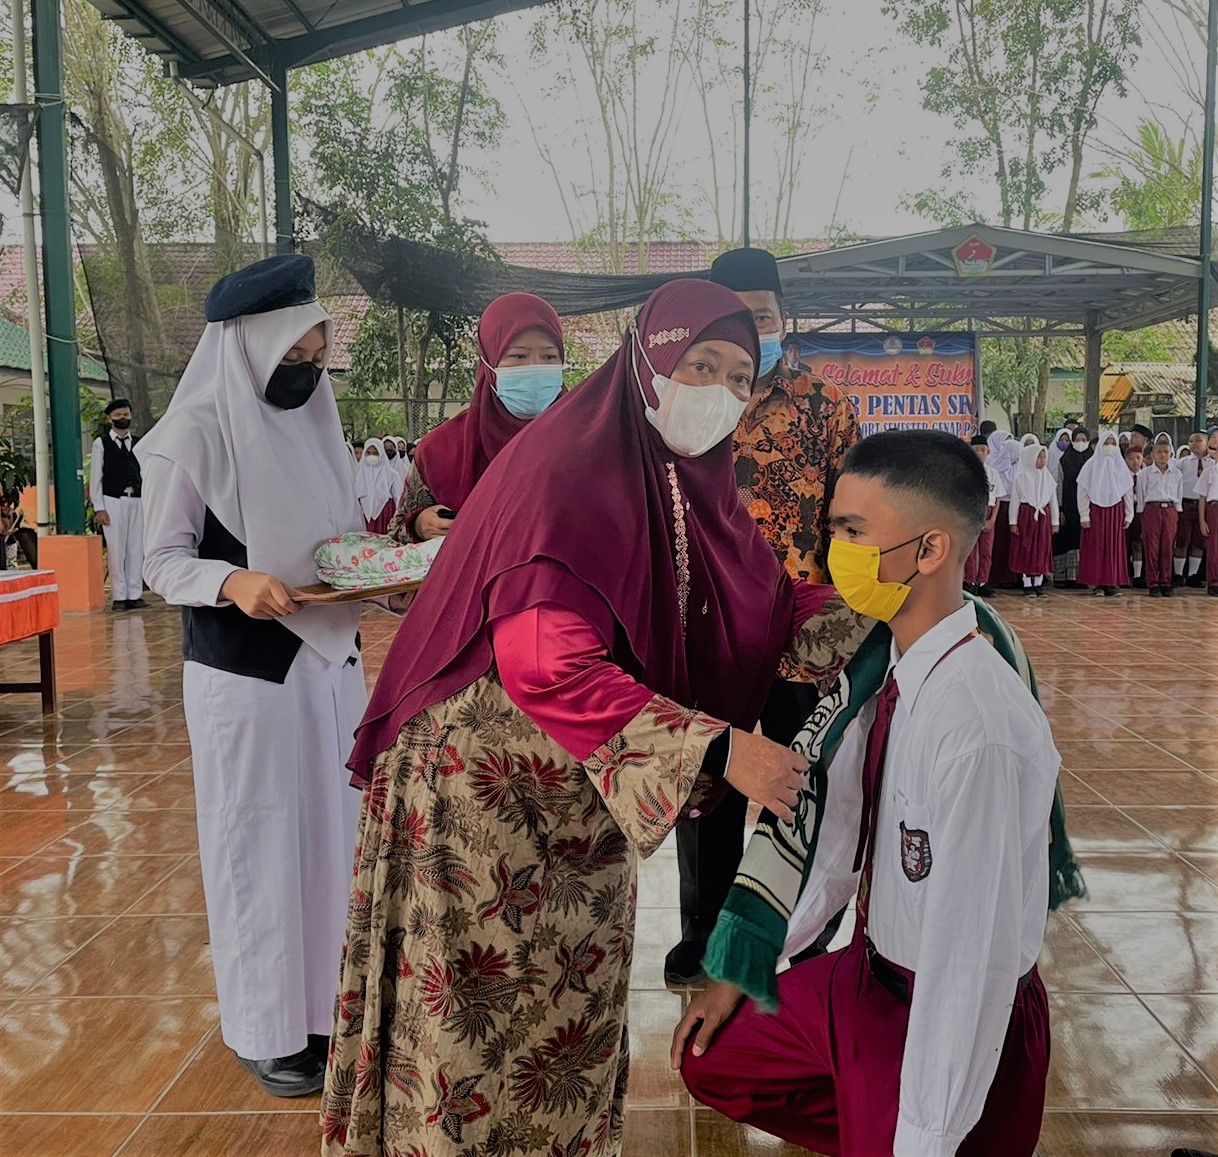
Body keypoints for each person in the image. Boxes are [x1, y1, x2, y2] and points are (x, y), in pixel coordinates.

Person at [319, 280, 871, 1157]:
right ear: (649, 360)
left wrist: (887, 615)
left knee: (566, 1020)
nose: (720, 391)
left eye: (738, 375)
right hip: (484, 797)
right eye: (701, 364)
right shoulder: (567, 471)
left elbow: (763, 607)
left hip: (583, 795)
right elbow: (546, 662)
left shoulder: (688, 480)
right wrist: (721, 747)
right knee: (481, 1030)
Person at [673, 429, 1058, 1157]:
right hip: (865, 976)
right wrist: (746, 964)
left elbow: (967, 966)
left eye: (854, 532)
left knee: (918, 1135)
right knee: (716, 1057)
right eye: (834, 529)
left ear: (930, 549)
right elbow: (838, 841)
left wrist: (924, 1133)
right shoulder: (881, 672)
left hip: (942, 1006)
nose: (833, 552)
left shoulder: (977, 729)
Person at [138, 253, 368, 1098]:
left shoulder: (317, 428)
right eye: (291, 359)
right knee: (259, 846)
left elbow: (340, 541)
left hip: (332, 667)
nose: (305, 374)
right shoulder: (192, 435)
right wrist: (233, 581)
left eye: (315, 358)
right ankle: (265, 1028)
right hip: (247, 679)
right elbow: (161, 560)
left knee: (334, 842)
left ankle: (326, 1010)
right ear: (247, 350)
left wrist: (387, 571)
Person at [656, 246, 862, 985]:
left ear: (784, 318)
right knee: (708, 783)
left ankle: (796, 937)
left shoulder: (825, 406)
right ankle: (704, 936)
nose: (752, 331)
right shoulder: (689, 397)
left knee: (801, 784)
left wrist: (853, 614)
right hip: (707, 634)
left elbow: (853, 518)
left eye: (764, 317)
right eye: (736, 318)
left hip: (803, 638)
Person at [388, 292, 565, 543]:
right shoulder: (441, 449)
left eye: (549, 357)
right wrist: (419, 525)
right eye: (518, 356)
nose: (535, 367)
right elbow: (396, 530)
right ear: (488, 363)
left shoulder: (587, 439)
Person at [90, 397, 148, 611]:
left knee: (136, 548)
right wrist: (99, 507)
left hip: (137, 500)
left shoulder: (140, 443)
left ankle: (135, 594)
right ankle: (119, 596)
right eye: (118, 415)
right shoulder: (101, 443)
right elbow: (96, 476)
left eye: (126, 414)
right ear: (110, 418)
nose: (122, 418)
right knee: (116, 549)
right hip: (113, 501)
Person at [1077, 430, 1134, 597]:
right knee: (1096, 546)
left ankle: (1112, 582)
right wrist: (1084, 514)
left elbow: (1127, 491)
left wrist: (1129, 514)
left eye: (1113, 443)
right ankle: (1097, 583)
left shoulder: (1121, 466)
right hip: (1096, 511)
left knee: (1113, 547)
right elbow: (1083, 491)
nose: (1110, 446)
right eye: (1106, 443)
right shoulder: (1090, 465)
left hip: (1115, 511)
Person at [1137, 434, 1184, 597]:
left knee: (1168, 546)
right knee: (1152, 547)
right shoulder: (1145, 474)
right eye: (1159, 452)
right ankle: (1152, 582)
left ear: (1171, 454)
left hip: (1170, 509)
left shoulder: (1177, 473)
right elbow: (1141, 494)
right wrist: (1142, 512)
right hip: (1152, 509)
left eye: (1165, 452)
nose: (1162, 455)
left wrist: (1177, 510)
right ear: (1152, 454)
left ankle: (1165, 581)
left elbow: (1179, 493)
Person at [1009, 441, 1059, 596]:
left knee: (1042, 548)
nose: (1042, 460)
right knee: (1026, 548)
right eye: (1039, 457)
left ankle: (1038, 582)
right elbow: (1015, 501)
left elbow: (1053, 501)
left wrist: (1055, 522)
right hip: (1026, 516)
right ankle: (1027, 583)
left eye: (1044, 457)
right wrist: (1013, 522)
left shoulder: (1048, 478)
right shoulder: (1021, 477)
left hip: (1043, 517)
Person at [964, 434, 1004, 597]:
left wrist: (992, 520)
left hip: (988, 513)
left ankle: (983, 581)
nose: (980, 453)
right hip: (972, 513)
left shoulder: (993, 473)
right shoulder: (966, 472)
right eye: (976, 450)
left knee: (986, 550)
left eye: (983, 450)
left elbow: (998, 498)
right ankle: (970, 581)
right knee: (970, 550)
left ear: (988, 452)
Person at [1053, 427, 1092, 588]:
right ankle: (1066, 577)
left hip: (1088, 507)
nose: (1080, 443)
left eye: (1084, 440)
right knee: (1067, 538)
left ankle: (1082, 576)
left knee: (1083, 540)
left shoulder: (1092, 460)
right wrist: (1060, 508)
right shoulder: (1064, 460)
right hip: (1069, 506)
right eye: (1077, 440)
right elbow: (1059, 484)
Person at [1176, 431, 1210, 588]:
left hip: (1204, 505)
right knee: (1182, 540)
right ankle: (1178, 574)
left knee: (1199, 541)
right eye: (1190, 441)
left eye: (1198, 440)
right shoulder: (1182, 463)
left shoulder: (1212, 463)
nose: (1193, 444)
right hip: (1186, 503)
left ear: (1207, 443)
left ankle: (1193, 575)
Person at [353, 437, 403, 534]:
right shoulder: (358, 473)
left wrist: (398, 518)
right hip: (363, 513)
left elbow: (399, 497)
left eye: (375, 453)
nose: (371, 456)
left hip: (385, 513)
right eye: (368, 453)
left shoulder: (391, 474)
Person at [1124, 444, 1146, 587]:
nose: (1135, 462)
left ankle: (1138, 576)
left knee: (1138, 544)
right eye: (1131, 459)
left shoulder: (1146, 475)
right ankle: (1124, 575)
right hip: (1126, 510)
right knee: (1124, 545)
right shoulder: (1122, 475)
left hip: (1140, 511)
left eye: (1138, 458)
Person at [1199, 451, 1218, 597]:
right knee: (1214, 547)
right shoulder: (1209, 472)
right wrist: (1202, 520)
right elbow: (1202, 498)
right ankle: (1213, 582)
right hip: (1214, 508)